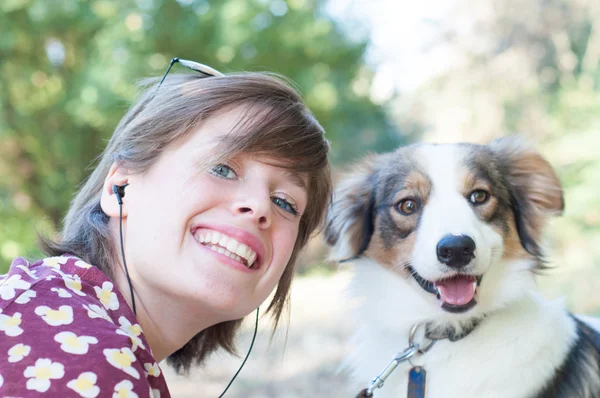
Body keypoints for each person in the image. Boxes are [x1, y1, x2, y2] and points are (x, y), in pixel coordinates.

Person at [0, 59, 332, 397]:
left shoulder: (65, 327)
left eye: (286, 203)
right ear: (120, 189)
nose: (260, 206)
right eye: (222, 168)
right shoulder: (79, 358)